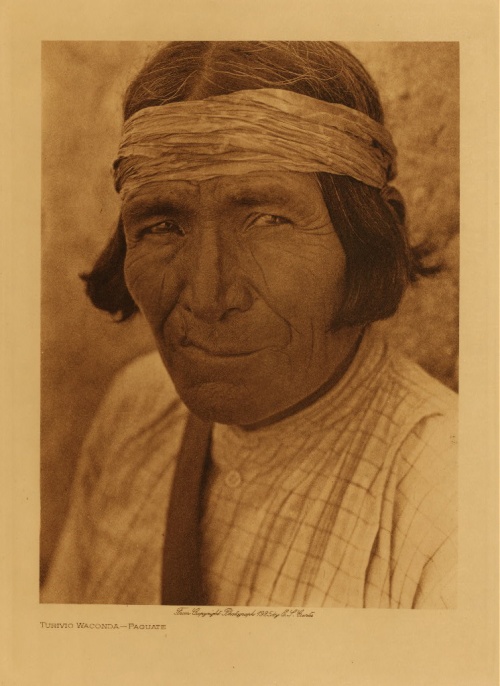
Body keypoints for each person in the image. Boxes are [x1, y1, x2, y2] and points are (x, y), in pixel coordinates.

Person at [41, 41, 457, 608]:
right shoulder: (136, 410)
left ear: (371, 237)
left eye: (267, 219)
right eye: (163, 226)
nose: (209, 296)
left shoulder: (449, 506)